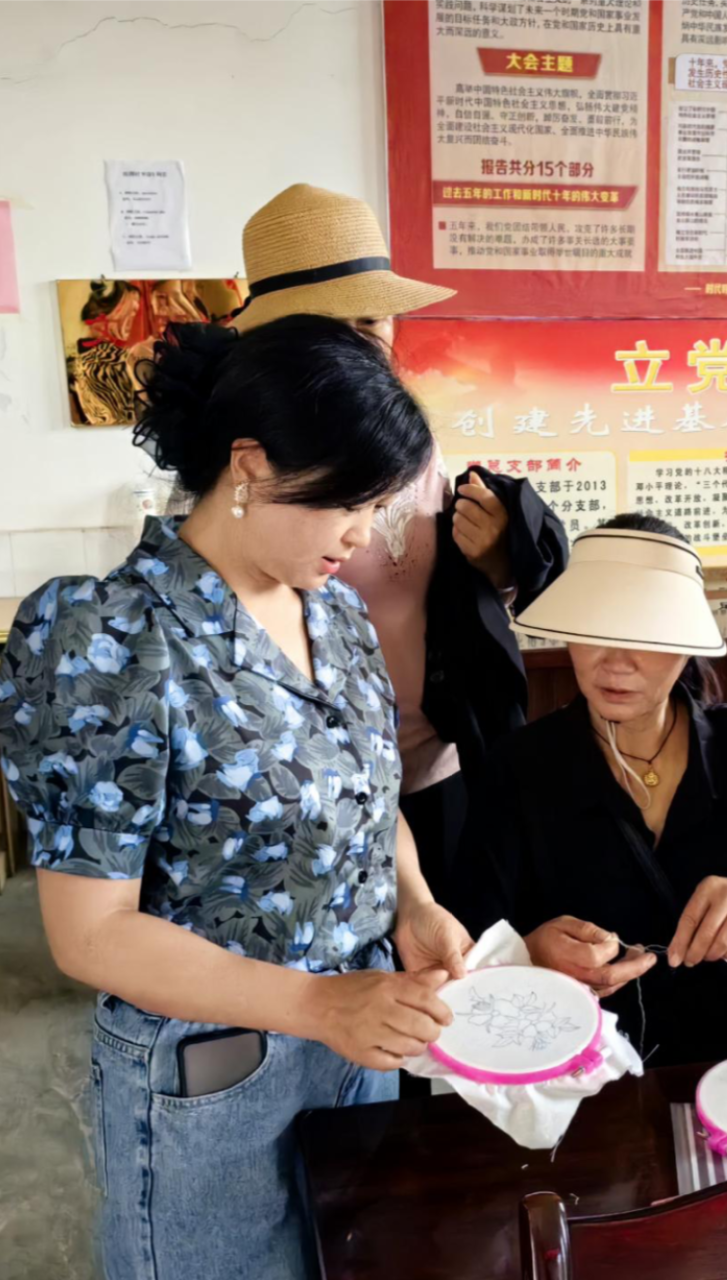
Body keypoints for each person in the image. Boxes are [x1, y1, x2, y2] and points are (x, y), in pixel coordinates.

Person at [0, 314, 474, 1280]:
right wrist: (320, 1005)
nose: (363, 534)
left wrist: (415, 904)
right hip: (213, 1072)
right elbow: (90, 933)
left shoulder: (334, 614)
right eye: (348, 502)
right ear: (249, 465)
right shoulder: (104, 636)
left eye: (378, 507)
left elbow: (368, 791)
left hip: (357, 1042)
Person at [228, 184, 568, 896]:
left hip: (435, 758)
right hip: (308, 785)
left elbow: (439, 588)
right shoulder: (245, 465)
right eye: (339, 325)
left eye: (376, 317)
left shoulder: (413, 448)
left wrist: (494, 555)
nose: (370, 344)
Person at [448, 514, 727, 1068]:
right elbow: (467, 943)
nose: (614, 662)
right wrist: (528, 953)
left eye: (644, 632)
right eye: (594, 628)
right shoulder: (521, 765)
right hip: (573, 1070)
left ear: (685, 641)